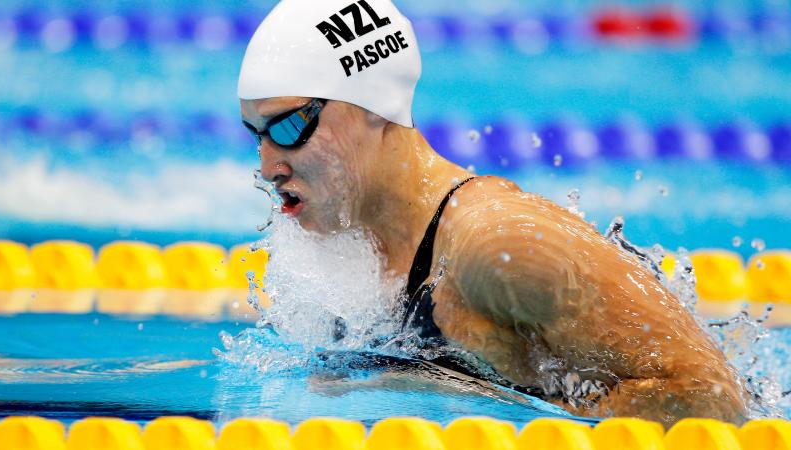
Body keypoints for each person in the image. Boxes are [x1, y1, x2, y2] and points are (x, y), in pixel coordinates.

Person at [237, 0, 748, 426]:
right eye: (255, 133)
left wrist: (479, 404)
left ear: (374, 106)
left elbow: (709, 400)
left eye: (288, 127)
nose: (268, 166)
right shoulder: (346, 246)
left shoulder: (499, 246)